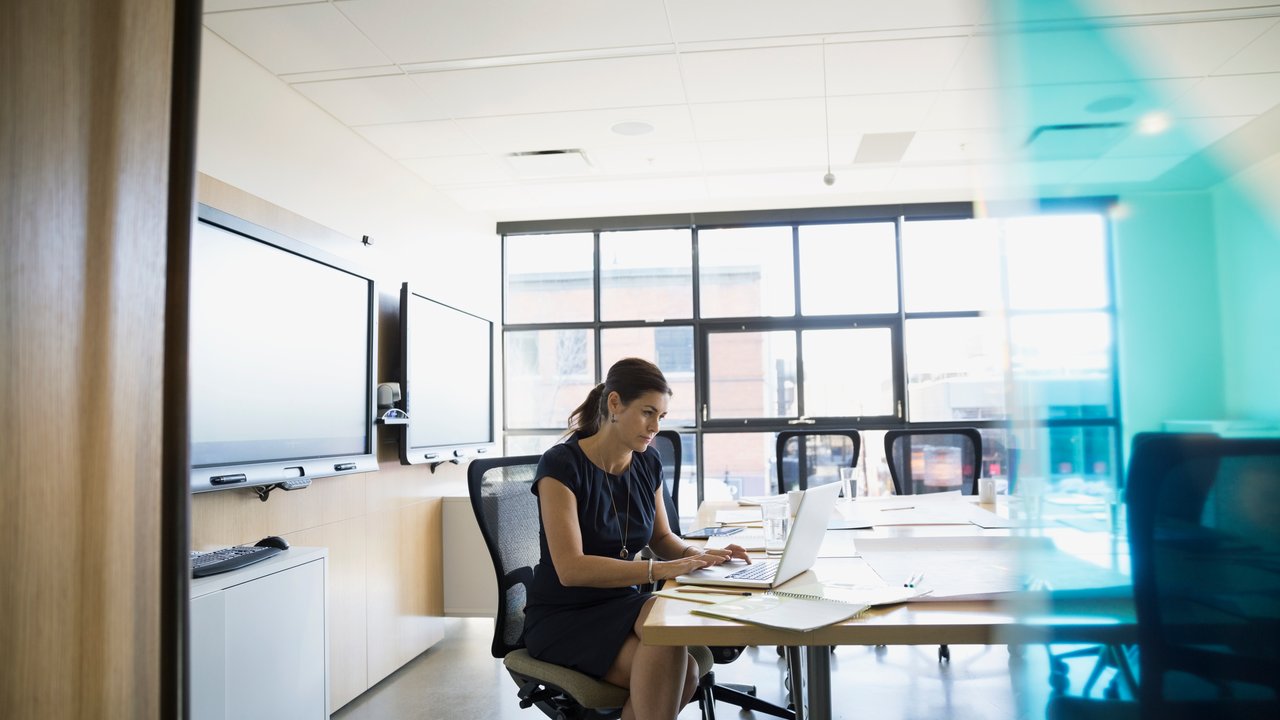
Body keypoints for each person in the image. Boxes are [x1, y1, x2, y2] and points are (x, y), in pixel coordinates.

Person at [524, 357, 750, 720]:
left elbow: (662, 537)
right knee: (683, 666)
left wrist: (701, 555)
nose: (655, 427)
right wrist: (660, 569)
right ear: (614, 404)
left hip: (619, 602)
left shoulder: (647, 463)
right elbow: (571, 568)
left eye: (661, 416)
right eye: (648, 413)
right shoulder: (561, 466)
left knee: (674, 647)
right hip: (563, 614)